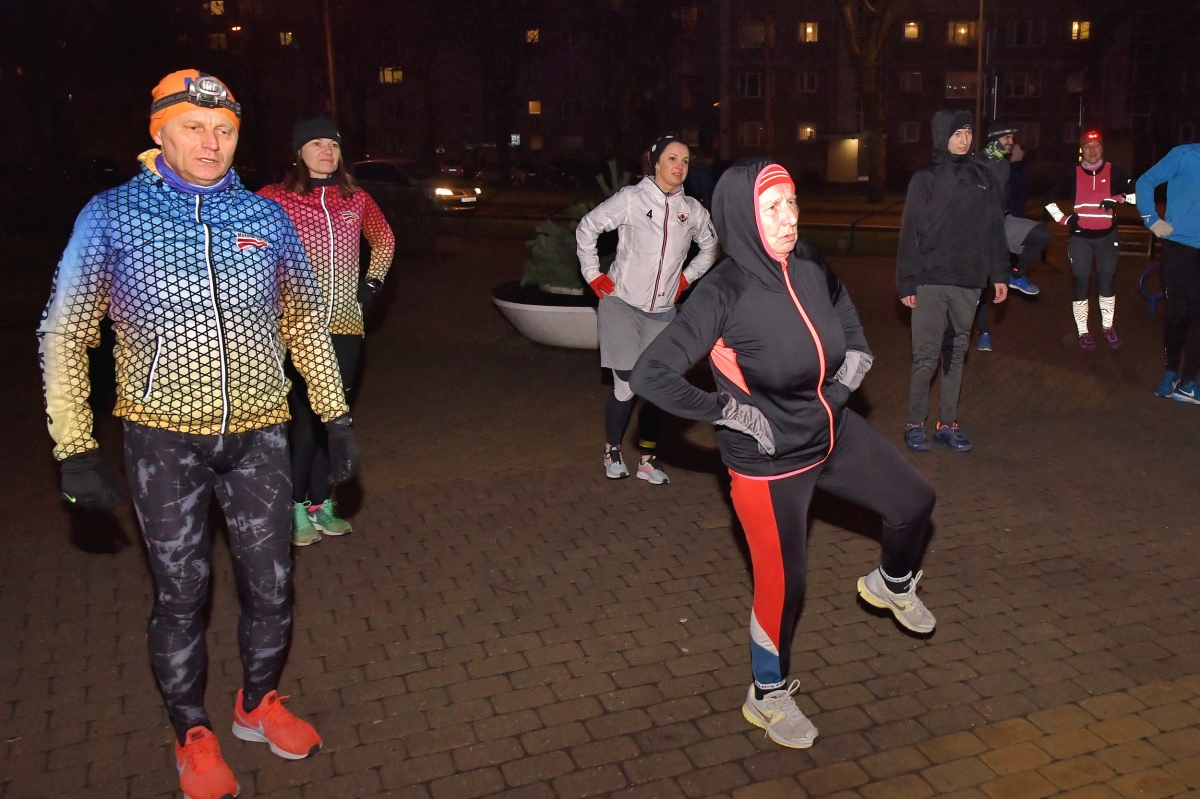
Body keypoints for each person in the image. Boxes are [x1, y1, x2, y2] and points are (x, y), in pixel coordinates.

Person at [38, 70, 359, 799]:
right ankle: (192, 730)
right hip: (163, 443)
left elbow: (305, 322)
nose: (211, 143)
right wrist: (75, 445)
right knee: (183, 594)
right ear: (159, 132)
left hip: (259, 436)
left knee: (272, 585)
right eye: (193, 127)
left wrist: (335, 416)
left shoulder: (265, 216)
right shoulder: (112, 215)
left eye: (225, 130)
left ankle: (257, 704)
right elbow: (65, 332)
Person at [631, 159, 936, 750]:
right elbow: (651, 373)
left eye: (792, 202)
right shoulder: (722, 292)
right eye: (772, 208)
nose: (789, 218)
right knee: (783, 586)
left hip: (832, 431)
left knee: (914, 503)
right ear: (744, 217)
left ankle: (892, 582)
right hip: (768, 464)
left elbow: (847, 318)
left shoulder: (809, 261)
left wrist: (846, 381)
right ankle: (766, 695)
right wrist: (732, 413)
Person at [259, 118, 395, 545]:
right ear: (299, 152)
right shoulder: (274, 198)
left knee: (335, 423)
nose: (326, 151)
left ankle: (321, 502)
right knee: (304, 424)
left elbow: (384, 239)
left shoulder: (355, 198)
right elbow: (246, 249)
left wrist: (372, 283)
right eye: (316, 143)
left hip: (346, 328)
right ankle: (294, 507)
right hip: (296, 331)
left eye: (332, 144)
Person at [577, 134, 718, 484]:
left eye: (685, 161)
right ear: (655, 163)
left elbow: (710, 248)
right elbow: (588, 227)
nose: (679, 166)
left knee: (655, 384)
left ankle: (648, 459)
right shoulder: (631, 199)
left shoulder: (692, 210)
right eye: (672, 158)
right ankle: (612, 450)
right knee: (627, 383)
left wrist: (685, 278)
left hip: (663, 311)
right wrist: (592, 274)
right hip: (621, 304)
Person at [898, 109, 1009, 453]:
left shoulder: (983, 176)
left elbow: (994, 228)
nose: (964, 140)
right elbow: (909, 232)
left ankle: (947, 424)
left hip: (968, 279)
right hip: (930, 280)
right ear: (942, 136)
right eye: (957, 133)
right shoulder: (925, 179)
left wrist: (999, 273)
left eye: (968, 133)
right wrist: (907, 282)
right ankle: (915, 423)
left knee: (956, 354)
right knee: (926, 356)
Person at [1043, 129, 1135, 349]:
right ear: (1082, 150)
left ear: (1102, 148)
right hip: (1081, 239)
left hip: (1107, 238)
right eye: (1087, 147)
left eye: (1096, 146)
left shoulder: (1115, 171)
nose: (1092, 150)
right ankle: (1083, 332)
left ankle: (1108, 328)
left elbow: (1137, 195)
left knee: (1106, 284)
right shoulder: (1073, 174)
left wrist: (1118, 199)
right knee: (1081, 285)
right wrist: (1064, 219)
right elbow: (1047, 199)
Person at [1136, 142, 1200, 401]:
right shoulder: (1184, 155)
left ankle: (1188, 382)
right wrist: (1151, 219)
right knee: (1178, 313)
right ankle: (1171, 372)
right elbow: (1145, 181)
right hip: (1180, 248)